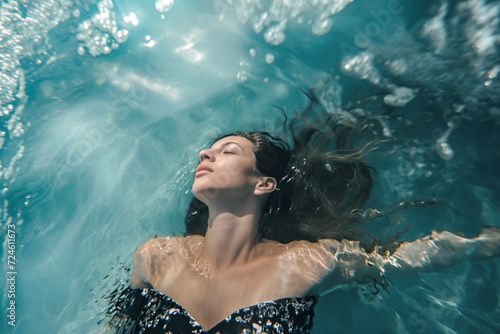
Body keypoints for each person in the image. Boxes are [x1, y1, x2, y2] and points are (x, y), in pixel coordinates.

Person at [109, 117, 500, 334]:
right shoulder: (157, 257)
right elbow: (115, 328)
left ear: (264, 184)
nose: (205, 152)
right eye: (210, 149)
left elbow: (399, 260)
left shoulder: (305, 264)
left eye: (228, 151)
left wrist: (484, 242)